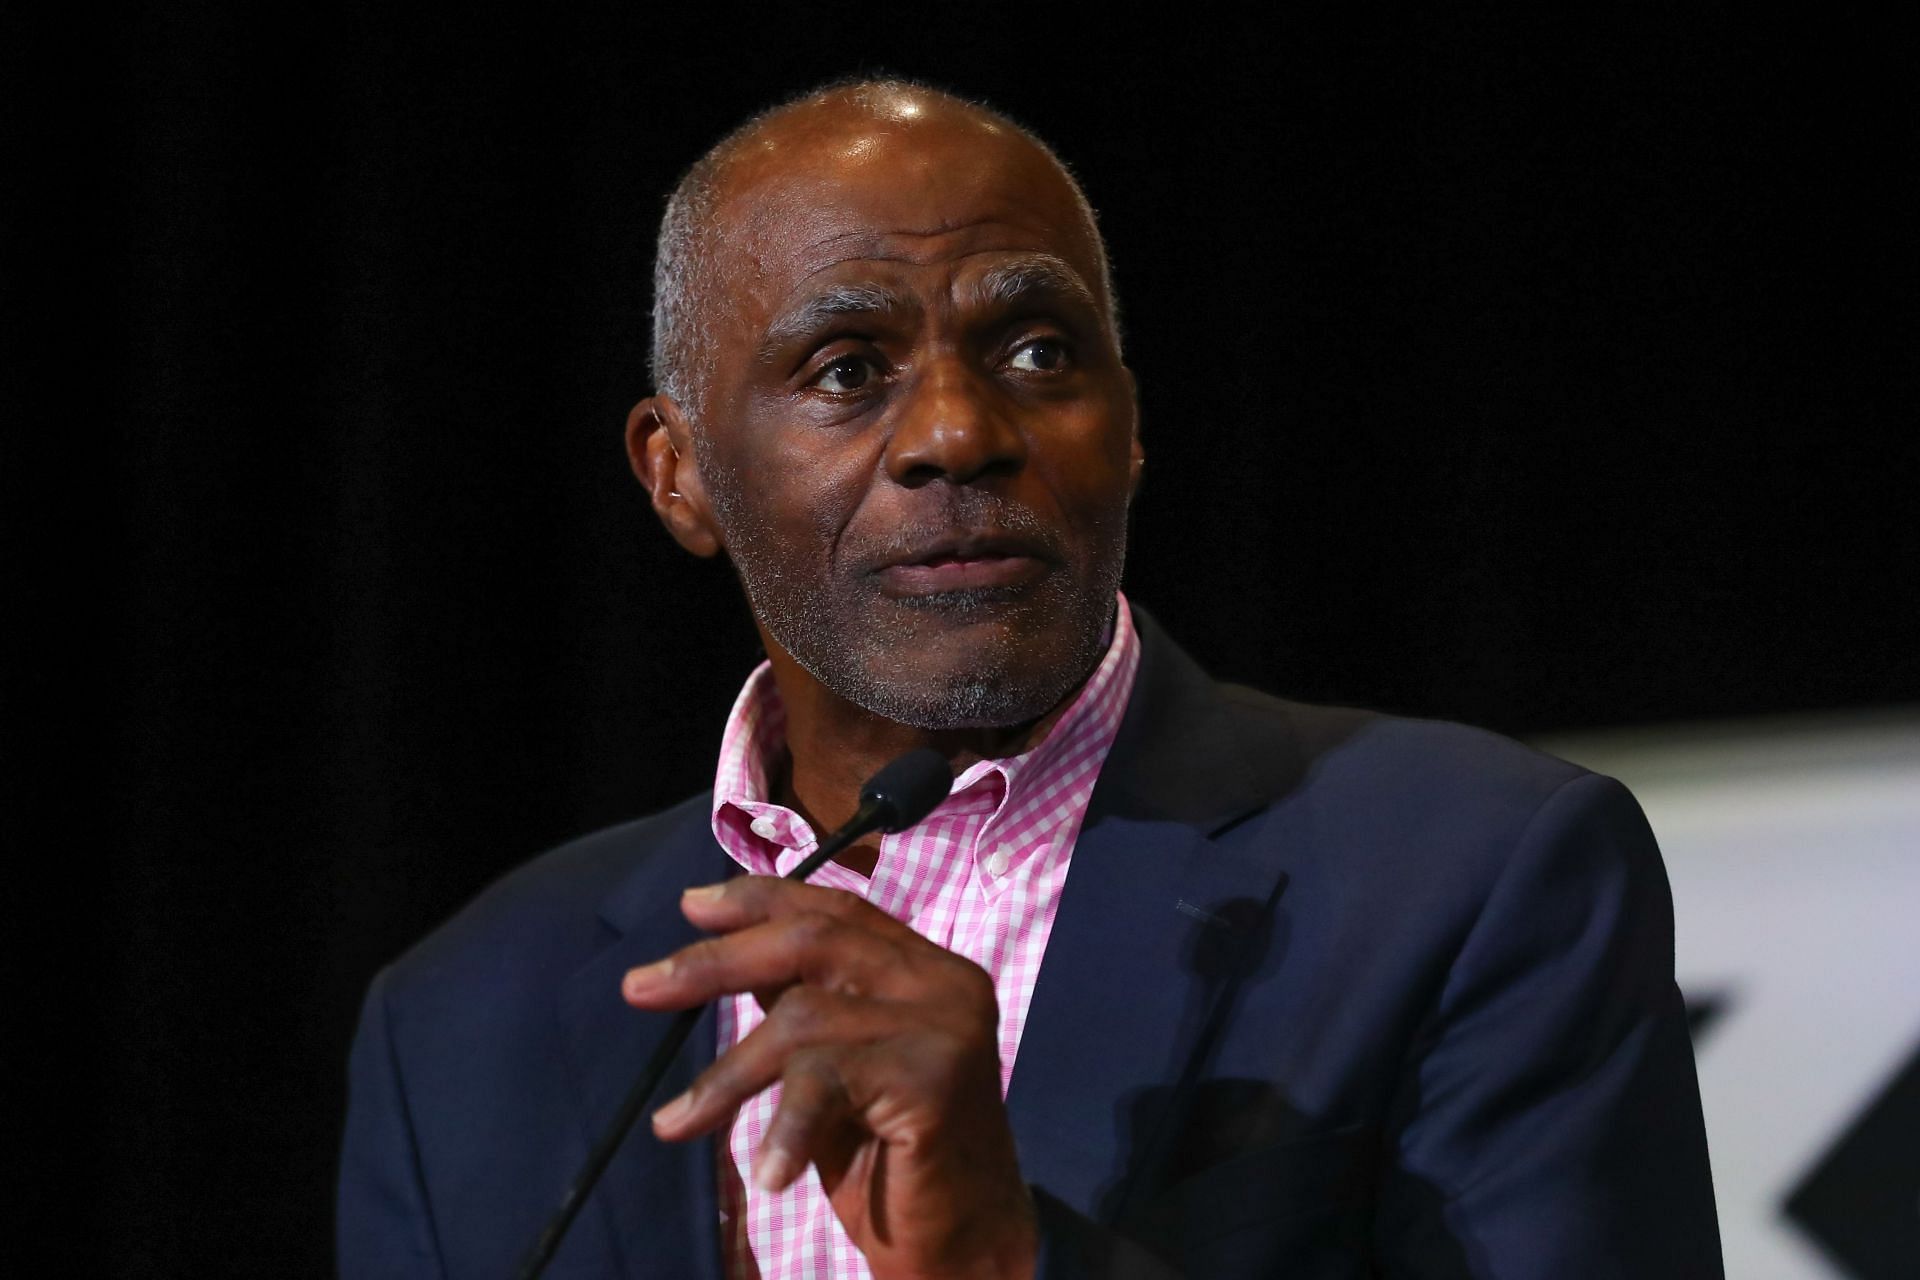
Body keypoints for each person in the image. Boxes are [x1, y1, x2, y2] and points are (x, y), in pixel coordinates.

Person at [337, 79, 1723, 1279]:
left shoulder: (1469, 876)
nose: (957, 430)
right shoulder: (465, 1021)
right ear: (679, 471)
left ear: (1129, 429)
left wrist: (1008, 1260)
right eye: (846, 369)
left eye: (1038, 350)